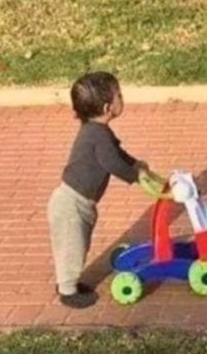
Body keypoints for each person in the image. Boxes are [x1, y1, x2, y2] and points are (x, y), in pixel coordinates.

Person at [47, 71, 152, 308]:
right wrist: (135, 175)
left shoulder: (98, 131)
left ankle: (69, 282)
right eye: (119, 95)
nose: (122, 98)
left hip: (79, 202)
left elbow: (117, 153)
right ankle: (68, 291)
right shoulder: (98, 135)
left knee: (77, 245)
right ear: (107, 107)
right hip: (71, 204)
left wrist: (135, 163)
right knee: (73, 248)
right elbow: (112, 163)